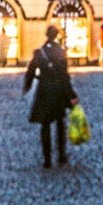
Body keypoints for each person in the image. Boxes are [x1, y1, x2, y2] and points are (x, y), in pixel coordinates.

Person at [23, 24, 75, 168]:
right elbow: (65, 76)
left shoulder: (40, 52)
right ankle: (62, 154)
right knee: (60, 123)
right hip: (58, 91)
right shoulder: (61, 52)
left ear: (46, 35)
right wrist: (71, 94)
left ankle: (47, 158)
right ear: (56, 35)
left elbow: (31, 71)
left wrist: (26, 87)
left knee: (45, 124)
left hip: (44, 91)